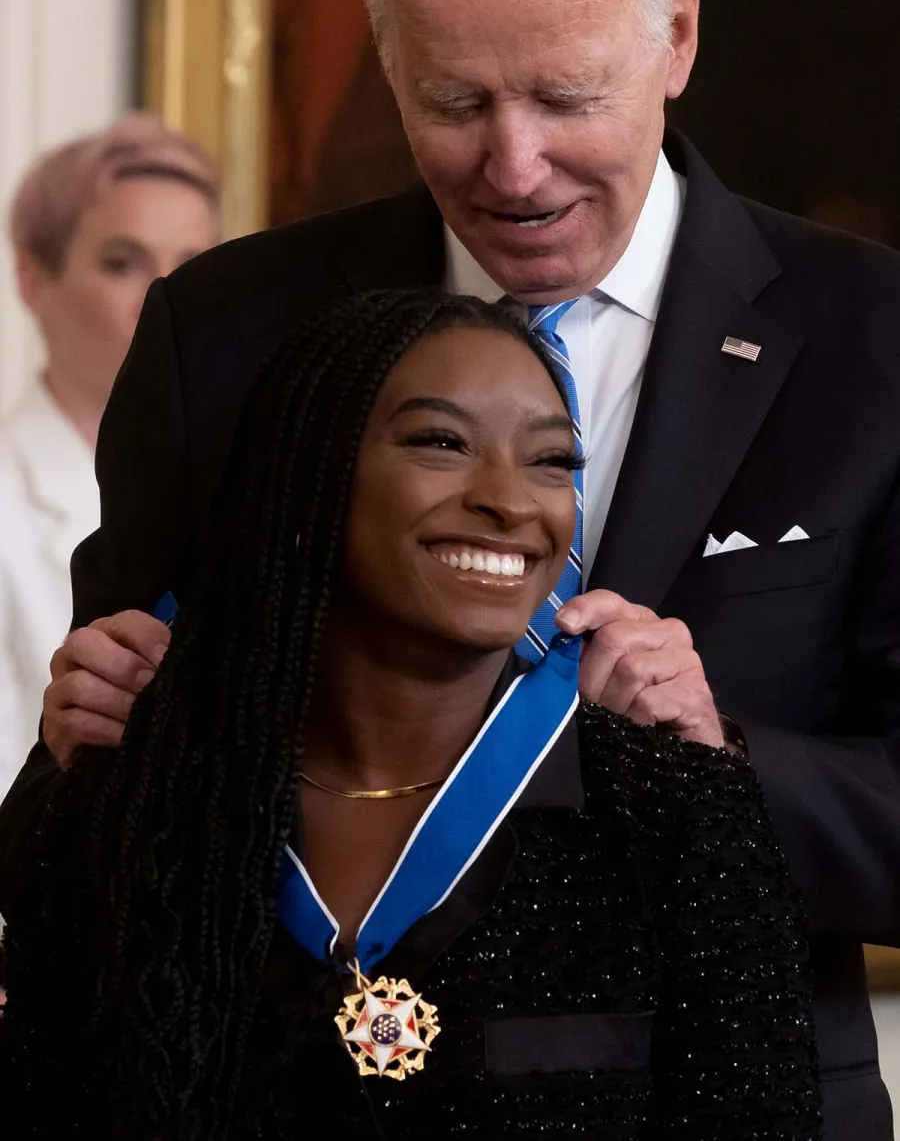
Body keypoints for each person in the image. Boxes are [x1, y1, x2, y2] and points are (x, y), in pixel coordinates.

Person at [0, 0, 896, 1135]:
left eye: (565, 96)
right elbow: (97, 812)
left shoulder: (877, 343)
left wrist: (715, 756)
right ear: (388, 53)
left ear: (677, 32)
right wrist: (83, 738)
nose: (514, 167)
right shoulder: (227, 332)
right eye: (455, 100)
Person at [0, 291, 820, 1139]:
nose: (511, 501)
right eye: (442, 442)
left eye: (551, 460)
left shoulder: (678, 814)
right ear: (308, 475)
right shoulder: (129, 813)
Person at [0, 114, 219, 800]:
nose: (166, 299)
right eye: (123, 263)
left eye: (193, 268)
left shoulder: (244, 488)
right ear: (33, 281)